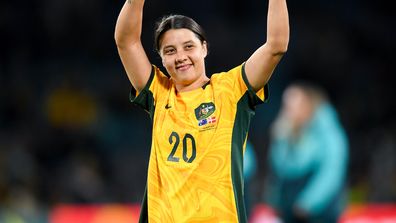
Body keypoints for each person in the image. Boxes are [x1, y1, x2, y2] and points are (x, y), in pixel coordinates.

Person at [114, 0, 289, 221]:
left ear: (204, 48)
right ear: (162, 58)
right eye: (170, 50)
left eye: (189, 46)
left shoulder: (232, 89)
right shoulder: (158, 93)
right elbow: (126, 41)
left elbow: (276, 46)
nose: (180, 57)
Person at [264, 81, 349, 223]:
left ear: (307, 105)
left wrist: (308, 203)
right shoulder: (288, 133)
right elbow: (281, 170)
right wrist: (280, 141)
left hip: (319, 213)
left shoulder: (328, 132)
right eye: (286, 106)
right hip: (293, 212)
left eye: (293, 105)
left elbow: (331, 172)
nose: (288, 111)